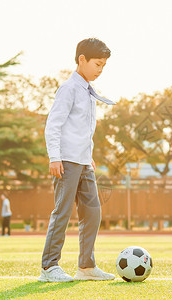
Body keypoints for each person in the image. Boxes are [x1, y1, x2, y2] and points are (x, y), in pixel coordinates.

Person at [39, 38, 116, 282]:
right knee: (62, 213)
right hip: (66, 161)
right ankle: (49, 268)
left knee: (92, 212)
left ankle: (86, 267)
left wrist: (89, 157)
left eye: (104, 65)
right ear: (82, 60)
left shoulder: (88, 91)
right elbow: (54, 125)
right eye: (97, 64)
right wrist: (54, 157)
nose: (100, 69)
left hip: (83, 162)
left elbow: (83, 129)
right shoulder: (69, 88)